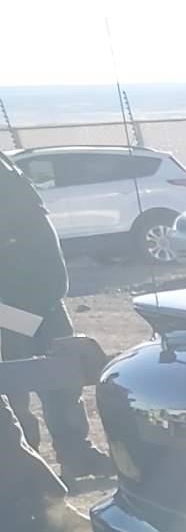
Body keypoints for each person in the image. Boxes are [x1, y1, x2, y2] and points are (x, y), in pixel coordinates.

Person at [0, 147, 108, 488]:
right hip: (11, 304)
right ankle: (23, 467)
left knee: (65, 378)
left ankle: (76, 452)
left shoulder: (4, 160)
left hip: (47, 297)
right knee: (17, 383)